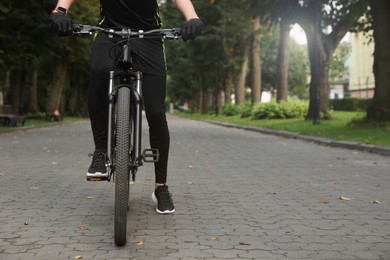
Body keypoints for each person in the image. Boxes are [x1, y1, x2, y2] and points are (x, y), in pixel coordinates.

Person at [50, 0, 202, 214]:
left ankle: (161, 187)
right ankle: (101, 152)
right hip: (108, 34)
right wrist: (60, 11)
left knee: (156, 112)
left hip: (148, 37)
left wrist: (192, 18)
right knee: (99, 72)